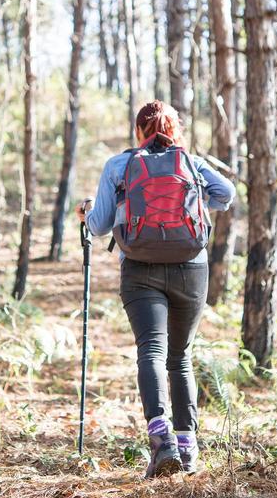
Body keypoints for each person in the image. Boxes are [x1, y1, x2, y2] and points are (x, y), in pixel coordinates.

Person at [76, 99, 236, 478]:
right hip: (190, 268)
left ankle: (161, 439)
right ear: (175, 131)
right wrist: (198, 201)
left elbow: (98, 227)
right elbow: (226, 194)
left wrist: (88, 210)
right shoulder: (191, 163)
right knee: (179, 358)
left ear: (139, 132)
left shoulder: (120, 165)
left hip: (139, 268)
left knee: (151, 350)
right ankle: (188, 448)